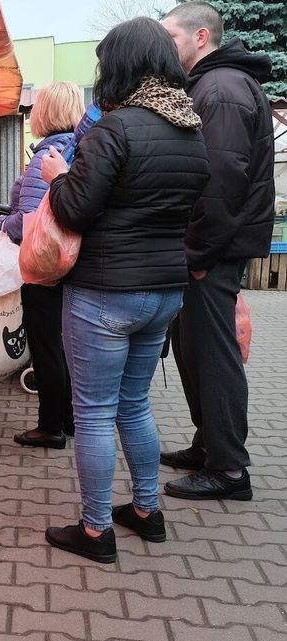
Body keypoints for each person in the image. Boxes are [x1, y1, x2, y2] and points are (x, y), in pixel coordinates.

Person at [40, 17, 210, 563]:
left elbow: (73, 208)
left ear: (121, 65)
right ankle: (145, 510)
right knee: (133, 405)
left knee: (92, 412)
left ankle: (95, 531)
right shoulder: (191, 129)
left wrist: (56, 176)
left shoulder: (116, 130)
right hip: (164, 290)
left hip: (105, 292)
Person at [160, 2, 275, 502]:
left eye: (171, 37)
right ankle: (210, 446)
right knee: (195, 351)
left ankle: (229, 470)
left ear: (200, 35)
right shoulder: (213, 85)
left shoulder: (222, 89)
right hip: (209, 246)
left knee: (213, 354)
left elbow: (221, 181)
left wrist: (199, 251)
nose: (166, 46)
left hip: (213, 249)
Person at [0, 82, 86, 449]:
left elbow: (30, 221)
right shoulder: (79, 148)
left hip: (45, 268)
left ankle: (50, 427)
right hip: (72, 265)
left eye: (35, 107)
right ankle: (69, 419)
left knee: (47, 347)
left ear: (45, 111)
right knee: (65, 348)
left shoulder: (47, 154)